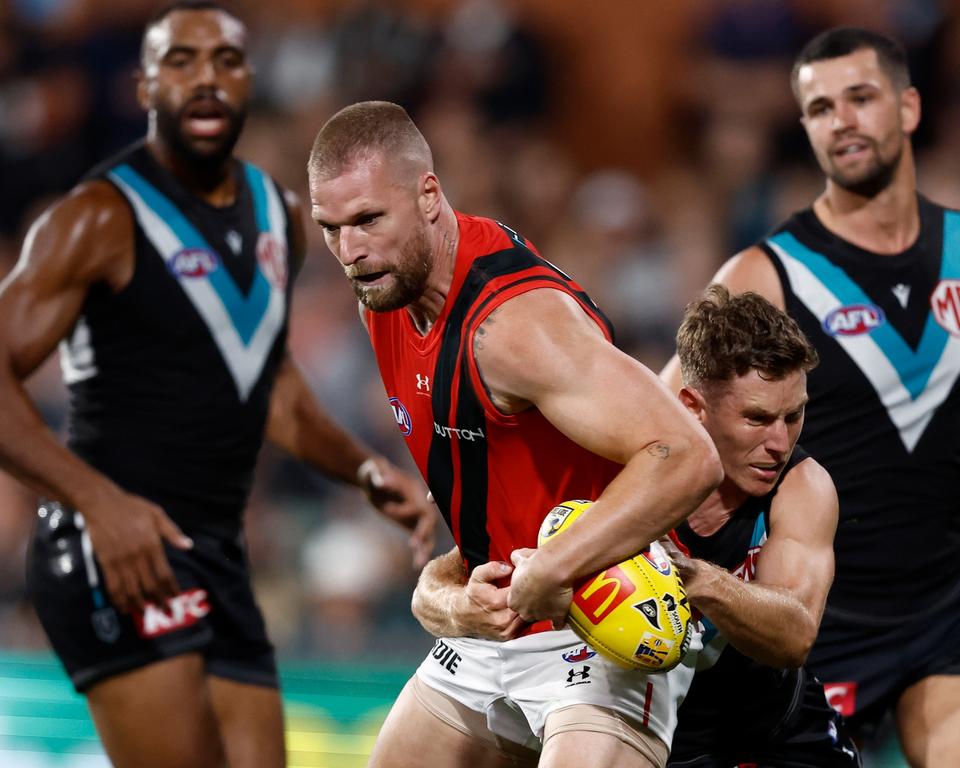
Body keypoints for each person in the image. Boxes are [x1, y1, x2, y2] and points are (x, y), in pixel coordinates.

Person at [0, 4, 437, 768]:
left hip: (213, 548)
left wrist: (367, 472)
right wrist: (99, 503)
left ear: (248, 81)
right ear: (143, 85)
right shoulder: (98, 216)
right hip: (113, 543)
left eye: (226, 61)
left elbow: (269, 386)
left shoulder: (279, 215)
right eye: (181, 62)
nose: (206, 78)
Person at [306, 100, 722, 768]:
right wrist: (449, 594)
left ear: (429, 196)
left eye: (368, 221)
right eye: (331, 229)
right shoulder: (384, 298)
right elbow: (490, 472)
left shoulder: (515, 326)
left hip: (600, 622)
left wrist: (555, 566)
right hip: (493, 629)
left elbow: (684, 455)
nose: (350, 251)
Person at [658, 26, 960, 765]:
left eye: (861, 97)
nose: (842, 120)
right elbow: (662, 427)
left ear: (911, 107)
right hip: (815, 615)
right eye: (820, 107)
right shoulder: (764, 275)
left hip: (944, 612)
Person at [416, 285, 861, 767]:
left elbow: (796, 636)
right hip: (643, 743)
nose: (780, 441)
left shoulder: (802, 486)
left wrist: (695, 579)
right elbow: (446, 578)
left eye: (793, 415)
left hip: (778, 743)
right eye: (756, 419)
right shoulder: (602, 460)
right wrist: (457, 607)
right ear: (692, 407)